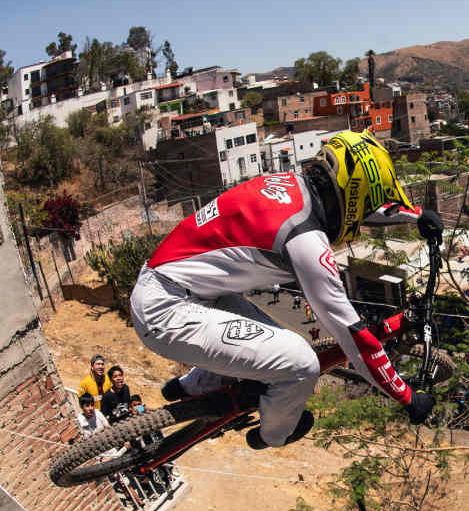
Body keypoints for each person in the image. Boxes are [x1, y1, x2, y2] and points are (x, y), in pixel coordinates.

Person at [130, 130, 442, 449]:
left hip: (178, 288)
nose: (362, 218)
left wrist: (415, 216)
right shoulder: (305, 242)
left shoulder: (290, 186)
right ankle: (272, 434)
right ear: (353, 196)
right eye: (363, 207)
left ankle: (191, 386)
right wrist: (407, 397)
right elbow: (355, 338)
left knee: (272, 339)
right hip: (166, 311)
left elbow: (359, 204)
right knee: (300, 363)